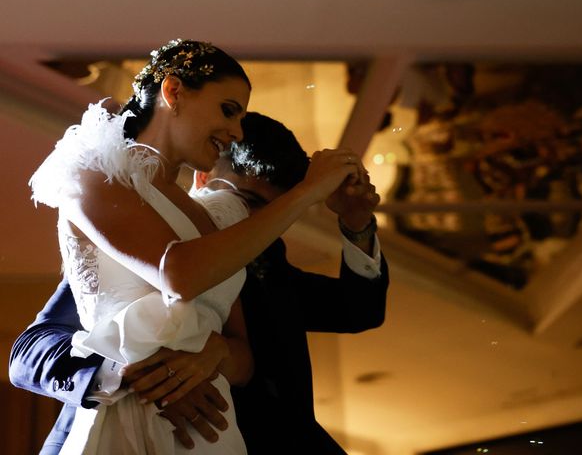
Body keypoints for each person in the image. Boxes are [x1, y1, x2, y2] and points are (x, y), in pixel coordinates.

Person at [14, 38, 365, 454]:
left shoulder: (207, 217)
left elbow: (243, 354)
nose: (236, 132)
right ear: (173, 91)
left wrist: (210, 356)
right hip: (130, 422)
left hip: (214, 431)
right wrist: (306, 194)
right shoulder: (95, 174)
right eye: (228, 110)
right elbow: (179, 275)